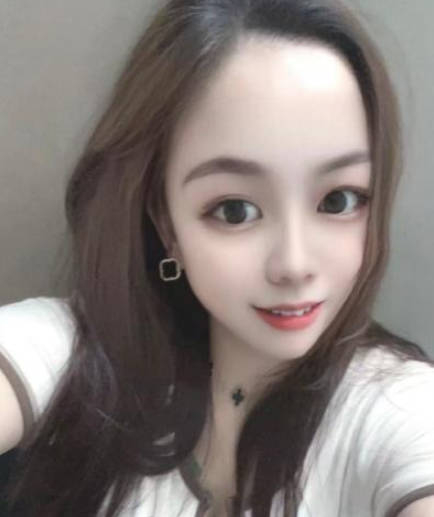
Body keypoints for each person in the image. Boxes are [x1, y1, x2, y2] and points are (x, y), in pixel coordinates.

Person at [0, 0, 434, 515]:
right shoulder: (76, 357)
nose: (294, 264)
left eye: (338, 201)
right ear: (167, 224)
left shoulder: (399, 409)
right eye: (234, 210)